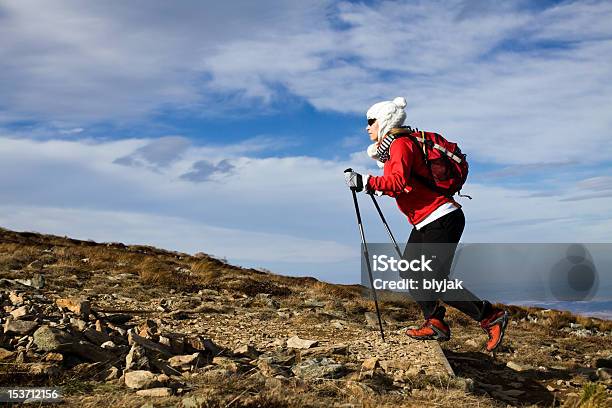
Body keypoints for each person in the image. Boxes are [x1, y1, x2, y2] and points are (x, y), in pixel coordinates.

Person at [344, 97, 508, 352]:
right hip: (428, 220)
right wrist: (369, 184)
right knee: (411, 272)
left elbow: (397, 182)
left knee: (433, 278)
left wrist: (365, 182)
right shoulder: (396, 146)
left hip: (441, 217)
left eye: (370, 121)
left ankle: (489, 317)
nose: (367, 127)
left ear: (384, 120)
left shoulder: (400, 144)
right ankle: (435, 322)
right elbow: (401, 185)